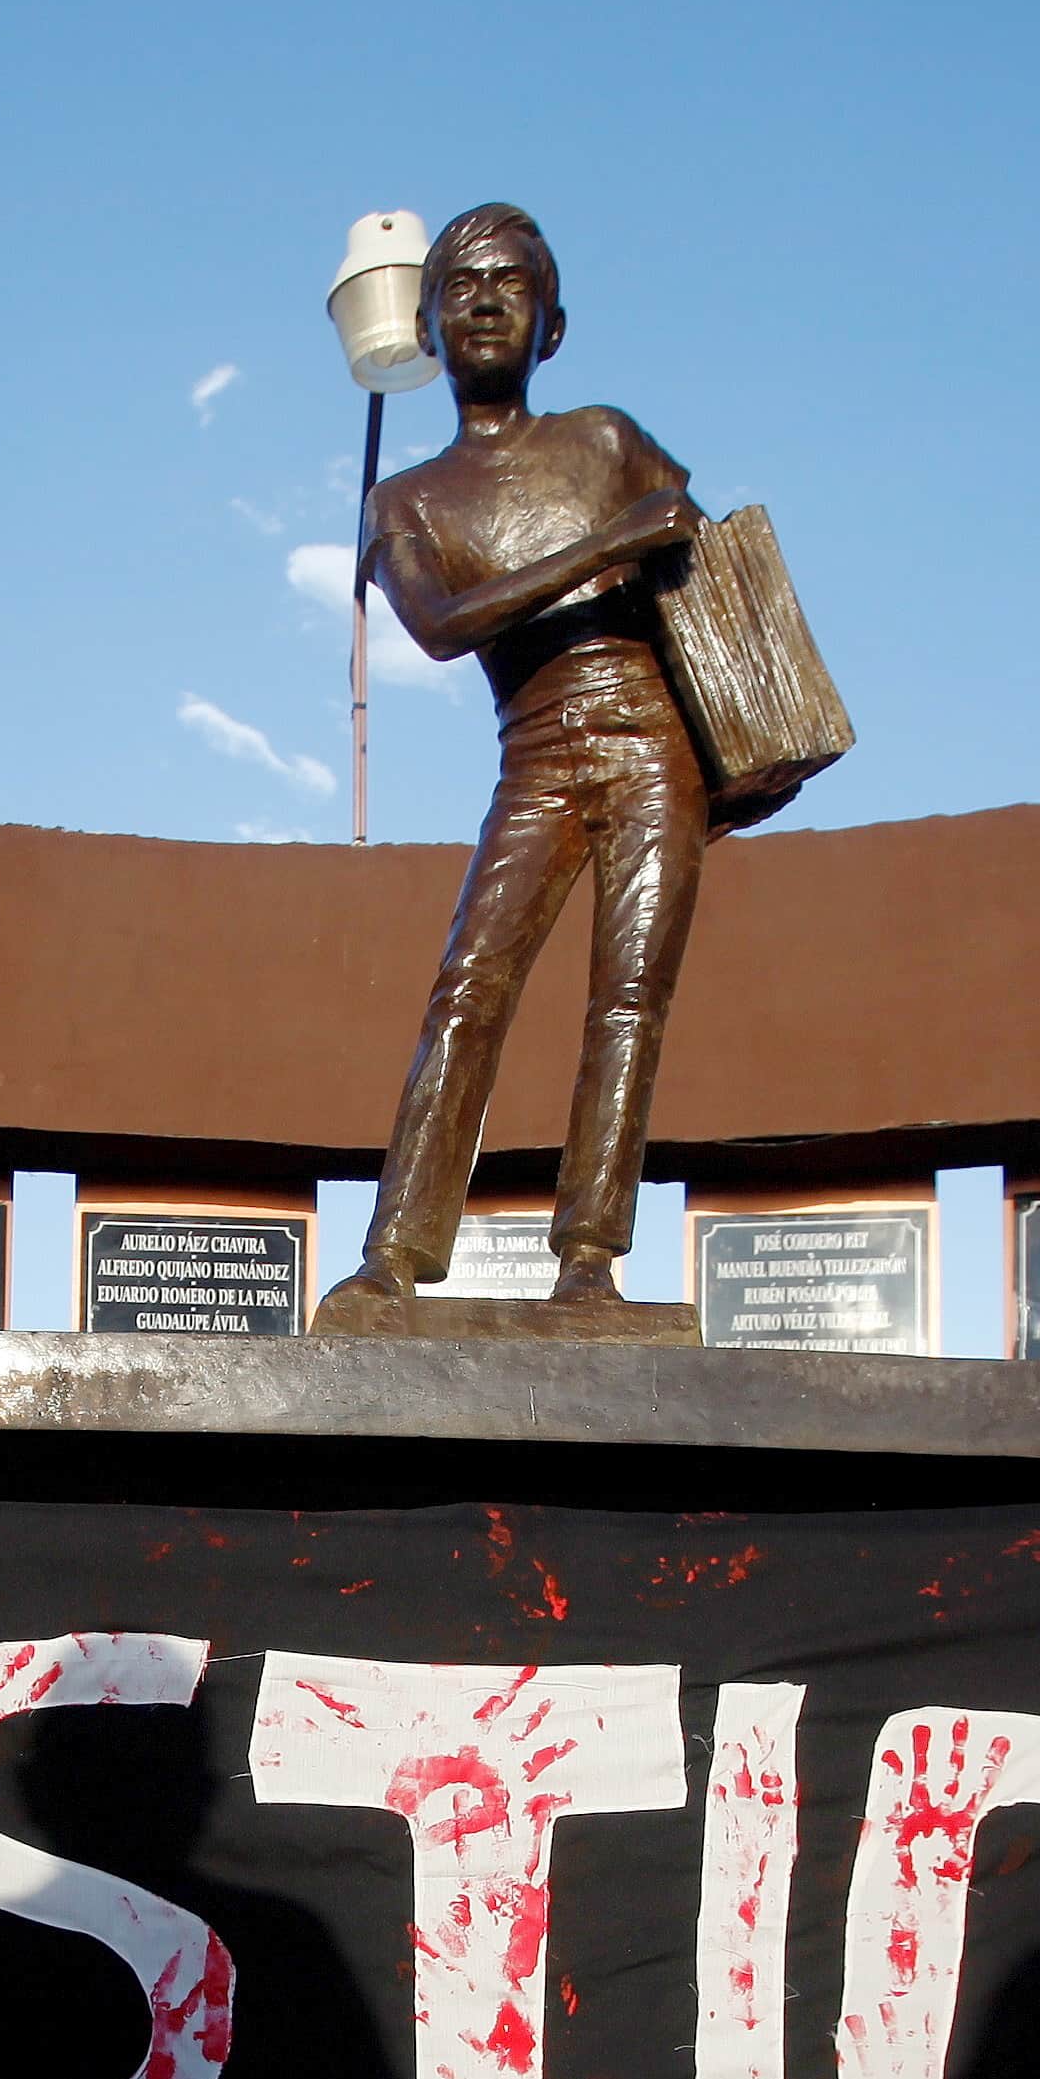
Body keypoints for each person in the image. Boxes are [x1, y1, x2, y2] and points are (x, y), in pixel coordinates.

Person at [321, 202, 710, 1320]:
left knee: (628, 999)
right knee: (469, 987)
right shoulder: (404, 501)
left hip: (651, 741)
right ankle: (392, 1257)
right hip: (534, 753)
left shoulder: (603, 441)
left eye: (509, 283)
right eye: (457, 287)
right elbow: (441, 628)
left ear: (551, 326)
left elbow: (707, 570)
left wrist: (738, 766)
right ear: (428, 328)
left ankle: (589, 1261)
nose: (484, 300)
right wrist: (602, 550)